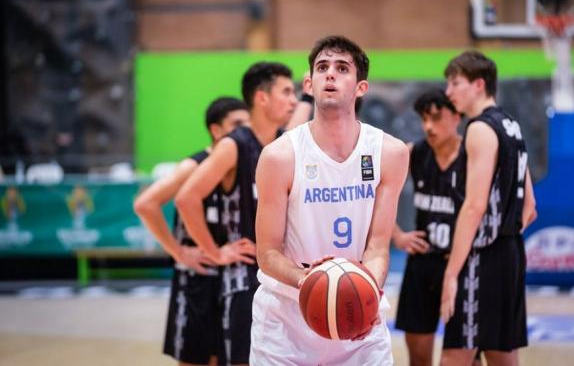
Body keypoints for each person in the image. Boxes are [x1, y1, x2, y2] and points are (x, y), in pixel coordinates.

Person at [250, 35, 409, 365]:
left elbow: (378, 247)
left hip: (358, 316)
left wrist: (367, 290)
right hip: (286, 324)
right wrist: (311, 281)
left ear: (361, 88)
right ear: (309, 84)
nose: (330, 74)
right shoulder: (280, 156)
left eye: (342, 68)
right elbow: (267, 253)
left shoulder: (390, 153)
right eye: (322, 68)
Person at [175, 62, 298, 366]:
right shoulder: (234, 145)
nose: (293, 100)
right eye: (286, 92)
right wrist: (215, 252)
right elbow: (187, 198)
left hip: (284, 275)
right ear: (262, 97)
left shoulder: (286, 143)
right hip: (245, 283)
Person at [134, 97, 250, 366]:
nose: (244, 130)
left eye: (247, 124)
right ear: (216, 130)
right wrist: (179, 252)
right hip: (198, 278)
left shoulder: (243, 162)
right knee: (195, 359)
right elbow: (145, 204)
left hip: (228, 277)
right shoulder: (195, 165)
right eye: (237, 124)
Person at [439, 51, 537, 366]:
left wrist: (452, 273)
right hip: (511, 253)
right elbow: (530, 207)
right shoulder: (511, 125)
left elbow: (475, 207)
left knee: (455, 356)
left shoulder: (480, 129)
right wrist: (505, 232)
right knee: (501, 353)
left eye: (455, 83)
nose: (448, 92)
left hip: (481, 256)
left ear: (478, 85)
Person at [392, 88, 464, 366]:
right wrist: (398, 236)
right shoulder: (414, 152)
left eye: (436, 118)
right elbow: (371, 192)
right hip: (421, 264)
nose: (428, 127)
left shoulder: (473, 155)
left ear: (456, 117)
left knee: (465, 358)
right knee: (418, 357)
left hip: (460, 266)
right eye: (424, 119)